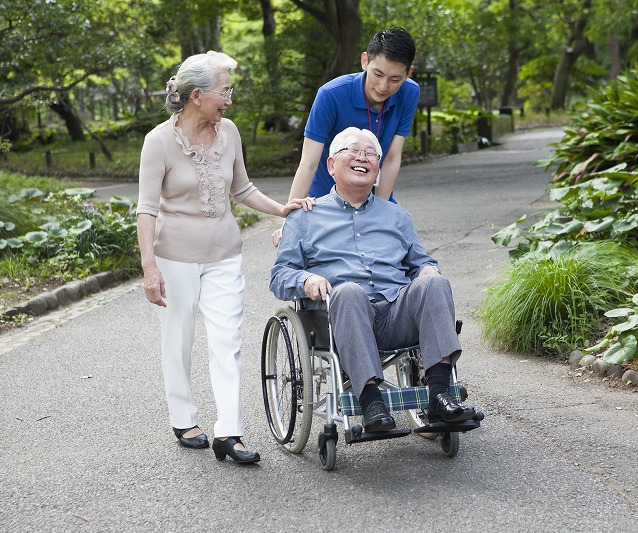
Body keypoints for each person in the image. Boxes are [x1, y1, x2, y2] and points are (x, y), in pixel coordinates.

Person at [137, 51, 313, 464]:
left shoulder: (229, 131)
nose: (229, 99)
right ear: (197, 95)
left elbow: (243, 188)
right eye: (224, 91)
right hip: (174, 255)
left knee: (228, 340)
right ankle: (183, 418)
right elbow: (145, 208)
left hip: (224, 254)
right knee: (178, 339)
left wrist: (281, 208)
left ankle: (229, 433)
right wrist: (149, 267)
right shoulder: (158, 141)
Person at [269, 127, 475, 432]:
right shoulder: (305, 217)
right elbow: (279, 276)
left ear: (378, 169)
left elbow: (422, 261)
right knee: (349, 290)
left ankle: (440, 396)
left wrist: (429, 269)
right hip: (341, 317)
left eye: (370, 154)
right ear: (331, 165)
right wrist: (306, 280)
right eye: (352, 151)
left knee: (435, 283)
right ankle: (371, 403)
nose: (362, 158)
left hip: (395, 315)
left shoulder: (396, 216)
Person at [271, 27, 420, 246]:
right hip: (323, 200)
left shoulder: (409, 92)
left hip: (372, 196)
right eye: (377, 74)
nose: (383, 86)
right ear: (364, 61)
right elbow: (308, 163)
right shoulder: (331, 95)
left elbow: (391, 157)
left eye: (395, 79)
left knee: (397, 256)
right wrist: (290, 220)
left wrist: (376, 212)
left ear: (408, 73)